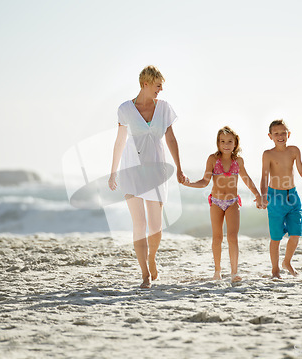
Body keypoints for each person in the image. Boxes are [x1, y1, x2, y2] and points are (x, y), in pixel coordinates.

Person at [108, 65, 185, 289]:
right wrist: (113, 172)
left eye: (161, 86)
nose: (160, 90)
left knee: (156, 227)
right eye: (157, 86)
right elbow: (120, 141)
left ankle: (152, 258)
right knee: (139, 224)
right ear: (145, 84)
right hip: (131, 171)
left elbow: (171, 139)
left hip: (157, 172)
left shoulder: (164, 108)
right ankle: (144, 273)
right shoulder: (125, 109)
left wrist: (179, 168)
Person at [182, 126, 262, 282]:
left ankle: (234, 272)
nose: (226, 144)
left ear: (235, 143)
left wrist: (257, 195)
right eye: (222, 141)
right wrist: (189, 184)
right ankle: (217, 271)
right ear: (218, 143)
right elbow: (205, 181)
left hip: (232, 202)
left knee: (232, 237)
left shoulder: (238, 161)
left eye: (230, 141)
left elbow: (246, 179)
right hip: (216, 202)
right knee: (217, 238)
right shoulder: (213, 159)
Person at [261, 120, 302, 279]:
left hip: (293, 196)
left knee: (296, 233)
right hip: (275, 197)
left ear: (288, 134)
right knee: (276, 237)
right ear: (270, 136)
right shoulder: (268, 154)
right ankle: (275, 270)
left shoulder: (294, 150)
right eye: (276, 134)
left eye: (283, 133)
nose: (280, 136)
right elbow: (264, 177)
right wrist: (262, 195)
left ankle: (287, 262)